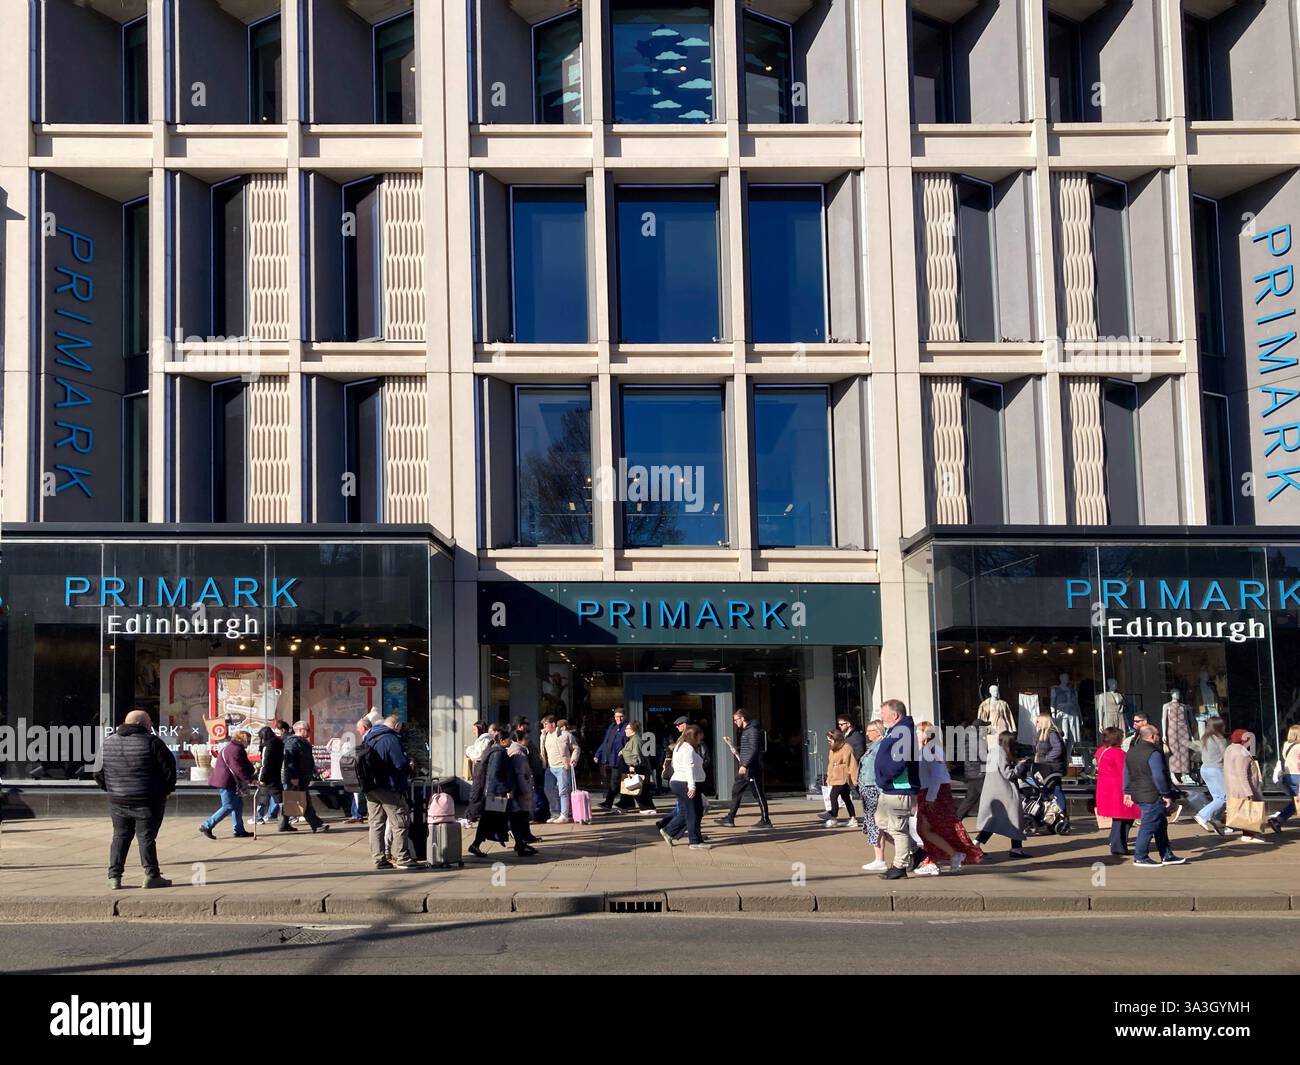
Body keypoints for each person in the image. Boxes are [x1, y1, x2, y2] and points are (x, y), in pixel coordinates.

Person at [95, 710, 177, 890]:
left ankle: (114, 877)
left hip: (118, 801)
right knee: (146, 837)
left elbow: (97, 771)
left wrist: (111, 789)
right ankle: (151, 875)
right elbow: (169, 769)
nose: (151, 726)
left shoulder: (108, 743)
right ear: (142, 724)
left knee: (119, 837)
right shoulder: (152, 742)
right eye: (149, 722)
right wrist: (166, 791)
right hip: (148, 800)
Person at [913, 721, 982, 874]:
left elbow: (937, 776)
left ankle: (938, 859)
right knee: (928, 828)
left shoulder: (932, 750)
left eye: (918, 731)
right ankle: (937, 858)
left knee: (926, 829)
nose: (916, 734)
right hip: (930, 791)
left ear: (926, 733)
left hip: (933, 793)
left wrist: (930, 797)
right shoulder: (927, 749)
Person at [1123, 723, 1187, 867]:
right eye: (1158, 735)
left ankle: (1167, 855)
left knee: (1160, 824)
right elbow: (1159, 775)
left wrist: (1126, 791)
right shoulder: (1154, 753)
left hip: (1138, 792)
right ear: (1152, 736)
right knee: (1149, 825)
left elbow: (1126, 773)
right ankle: (1140, 856)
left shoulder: (1131, 752)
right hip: (1151, 793)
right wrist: (1165, 793)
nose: (1159, 737)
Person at [872, 699, 921, 879]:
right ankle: (915, 852)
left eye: (883, 712)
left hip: (899, 787)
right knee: (881, 823)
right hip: (889, 787)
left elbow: (900, 761)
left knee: (897, 829)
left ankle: (899, 867)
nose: (881, 716)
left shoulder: (903, 731)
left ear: (895, 715)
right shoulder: (895, 730)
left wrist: (886, 777)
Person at [362, 714, 418, 870]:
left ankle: (378, 858)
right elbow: (400, 763)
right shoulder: (391, 739)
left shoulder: (369, 737)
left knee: (375, 824)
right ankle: (402, 858)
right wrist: (410, 765)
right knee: (400, 822)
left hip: (371, 788)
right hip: (389, 786)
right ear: (397, 725)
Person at [976, 731, 1028, 858]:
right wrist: (1021, 765)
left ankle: (975, 844)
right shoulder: (1001, 752)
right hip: (1004, 793)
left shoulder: (993, 751)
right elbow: (1008, 774)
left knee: (993, 821)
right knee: (1014, 818)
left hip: (993, 791)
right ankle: (1016, 849)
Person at [718, 708, 772, 828]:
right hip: (747, 767)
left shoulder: (752, 730)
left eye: (736, 719)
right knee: (736, 791)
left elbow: (754, 749)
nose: (735, 722)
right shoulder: (747, 730)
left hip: (751, 768)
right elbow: (749, 748)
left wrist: (744, 765)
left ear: (743, 718)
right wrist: (736, 750)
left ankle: (765, 820)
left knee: (758, 794)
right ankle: (730, 818)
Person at [660, 725, 710, 849]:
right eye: (700, 736)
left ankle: (669, 831)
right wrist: (692, 787)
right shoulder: (687, 749)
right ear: (695, 735)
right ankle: (694, 841)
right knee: (693, 812)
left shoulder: (680, 745)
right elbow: (689, 768)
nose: (701, 739)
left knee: (690, 811)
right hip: (684, 783)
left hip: (680, 782)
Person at [199, 730, 256, 839]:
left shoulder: (232, 748)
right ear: (242, 739)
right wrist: (249, 780)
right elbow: (237, 768)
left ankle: (239, 830)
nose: (249, 743)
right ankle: (207, 825)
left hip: (229, 781)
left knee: (238, 805)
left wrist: (251, 772)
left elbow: (243, 764)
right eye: (248, 740)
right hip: (227, 782)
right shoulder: (235, 750)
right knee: (228, 806)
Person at [470, 732, 515, 856]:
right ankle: (476, 844)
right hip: (496, 793)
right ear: (502, 740)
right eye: (509, 739)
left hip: (493, 792)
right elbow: (495, 774)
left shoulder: (494, 752)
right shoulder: (499, 753)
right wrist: (504, 790)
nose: (511, 742)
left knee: (489, 820)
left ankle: (477, 844)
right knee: (489, 820)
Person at [1093, 726, 1135, 856]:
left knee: (1119, 817)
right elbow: (1126, 772)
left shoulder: (1102, 751)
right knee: (1123, 817)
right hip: (1118, 788)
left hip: (1105, 788)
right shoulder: (1118, 753)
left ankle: (1115, 841)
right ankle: (1118, 846)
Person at [281, 719, 328, 833]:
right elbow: (289, 761)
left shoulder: (303, 742)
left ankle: (283, 824)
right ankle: (316, 825)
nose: (310, 732)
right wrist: (293, 777)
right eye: (308, 730)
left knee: (291, 800)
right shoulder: (293, 742)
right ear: (300, 730)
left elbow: (306, 760)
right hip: (296, 778)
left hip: (302, 777)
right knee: (304, 801)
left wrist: (316, 770)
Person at [1223, 729, 1268, 844]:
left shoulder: (1230, 749)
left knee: (1243, 811)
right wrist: (1249, 792)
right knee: (1249, 811)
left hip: (1233, 786)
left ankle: (1249, 833)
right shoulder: (1242, 754)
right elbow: (1242, 774)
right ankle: (1248, 834)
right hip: (1243, 787)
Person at [1193, 716, 1234, 835]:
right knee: (1223, 798)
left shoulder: (1205, 738)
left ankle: (1216, 820)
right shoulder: (1220, 739)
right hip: (1216, 769)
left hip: (1205, 769)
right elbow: (1225, 756)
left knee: (1217, 797)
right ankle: (1203, 815)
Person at [858, 720, 888, 872]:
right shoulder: (874, 747)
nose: (867, 733)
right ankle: (879, 858)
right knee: (877, 825)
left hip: (874, 789)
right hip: (869, 788)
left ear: (878, 731)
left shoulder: (880, 747)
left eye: (870, 730)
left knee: (876, 825)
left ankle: (880, 859)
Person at [507, 729, 540, 855]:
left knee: (520, 819)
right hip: (521, 792)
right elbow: (521, 775)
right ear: (519, 740)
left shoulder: (518, 751)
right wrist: (527, 791)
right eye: (526, 739)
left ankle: (520, 844)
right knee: (520, 819)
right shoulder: (518, 754)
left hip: (518, 791)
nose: (528, 740)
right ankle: (520, 845)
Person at [1032, 712, 1069, 818]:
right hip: (1044, 766)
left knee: (1056, 789)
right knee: (1046, 790)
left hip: (1052, 767)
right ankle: (1052, 813)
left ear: (1044, 722)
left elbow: (1058, 749)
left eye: (1038, 721)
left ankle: (1062, 813)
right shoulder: (1040, 733)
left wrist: (1047, 759)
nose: (1036, 723)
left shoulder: (1052, 733)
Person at [616, 720, 657, 813]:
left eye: (627, 729)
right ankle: (625, 805)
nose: (625, 730)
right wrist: (623, 751)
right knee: (630, 786)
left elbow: (636, 754)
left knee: (636, 787)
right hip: (630, 766)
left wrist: (632, 765)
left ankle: (647, 807)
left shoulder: (636, 740)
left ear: (633, 730)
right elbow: (630, 750)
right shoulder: (632, 739)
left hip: (634, 766)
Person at [541, 716, 575, 823]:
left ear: (553, 724)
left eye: (546, 724)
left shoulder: (565, 735)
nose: (544, 727)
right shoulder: (544, 736)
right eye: (543, 724)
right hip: (550, 767)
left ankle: (564, 815)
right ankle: (555, 814)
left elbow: (575, 748)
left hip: (562, 767)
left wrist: (573, 759)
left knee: (563, 791)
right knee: (549, 790)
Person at [1267, 724, 1300, 834]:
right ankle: (1278, 820)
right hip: (1297, 776)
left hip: (1287, 776)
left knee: (1295, 803)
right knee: (1296, 802)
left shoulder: (1286, 745)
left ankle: (1278, 820)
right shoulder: (1298, 747)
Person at [594, 708, 628, 811]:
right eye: (617, 716)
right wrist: (598, 754)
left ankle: (608, 803)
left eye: (621, 716)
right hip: (612, 758)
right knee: (621, 781)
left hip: (622, 759)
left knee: (615, 781)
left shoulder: (627, 727)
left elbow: (629, 742)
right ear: (614, 717)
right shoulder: (612, 727)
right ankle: (626, 802)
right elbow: (606, 742)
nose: (619, 718)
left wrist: (624, 751)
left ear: (624, 716)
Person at [823, 730, 859, 827]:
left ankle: (833, 818)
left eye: (830, 740)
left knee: (833, 796)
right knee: (846, 798)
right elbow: (830, 765)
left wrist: (854, 779)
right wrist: (828, 778)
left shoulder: (847, 748)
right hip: (835, 777)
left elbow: (852, 764)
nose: (829, 743)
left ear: (837, 740)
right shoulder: (832, 749)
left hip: (842, 777)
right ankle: (853, 818)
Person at [254, 723, 284, 825]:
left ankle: (258, 817)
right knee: (279, 798)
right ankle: (287, 817)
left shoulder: (267, 746)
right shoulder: (279, 743)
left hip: (267, 776)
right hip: (277, 774)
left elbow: (265, 763)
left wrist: (261, 777)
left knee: (262, 797)